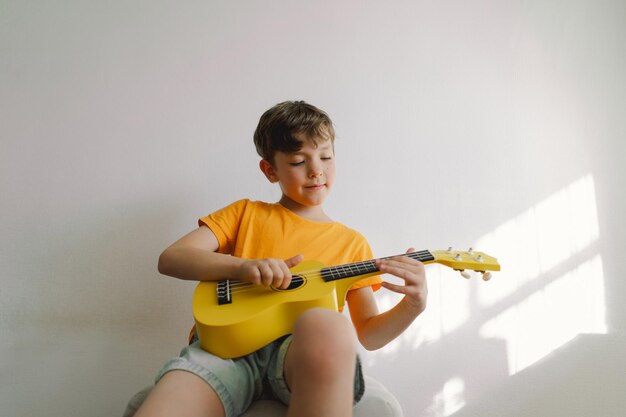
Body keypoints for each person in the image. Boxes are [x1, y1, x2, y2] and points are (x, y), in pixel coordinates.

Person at [131, 100, 428, 417]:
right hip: (224, 348)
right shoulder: (246, 213)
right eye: (299, 161)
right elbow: (172, 258)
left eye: (326, 156)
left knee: (326, 324)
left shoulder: (351, 243)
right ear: (270, 170)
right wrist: (243, 267)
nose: (317, 169)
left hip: (297, 354)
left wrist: (412, 307)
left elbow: (369, 333)